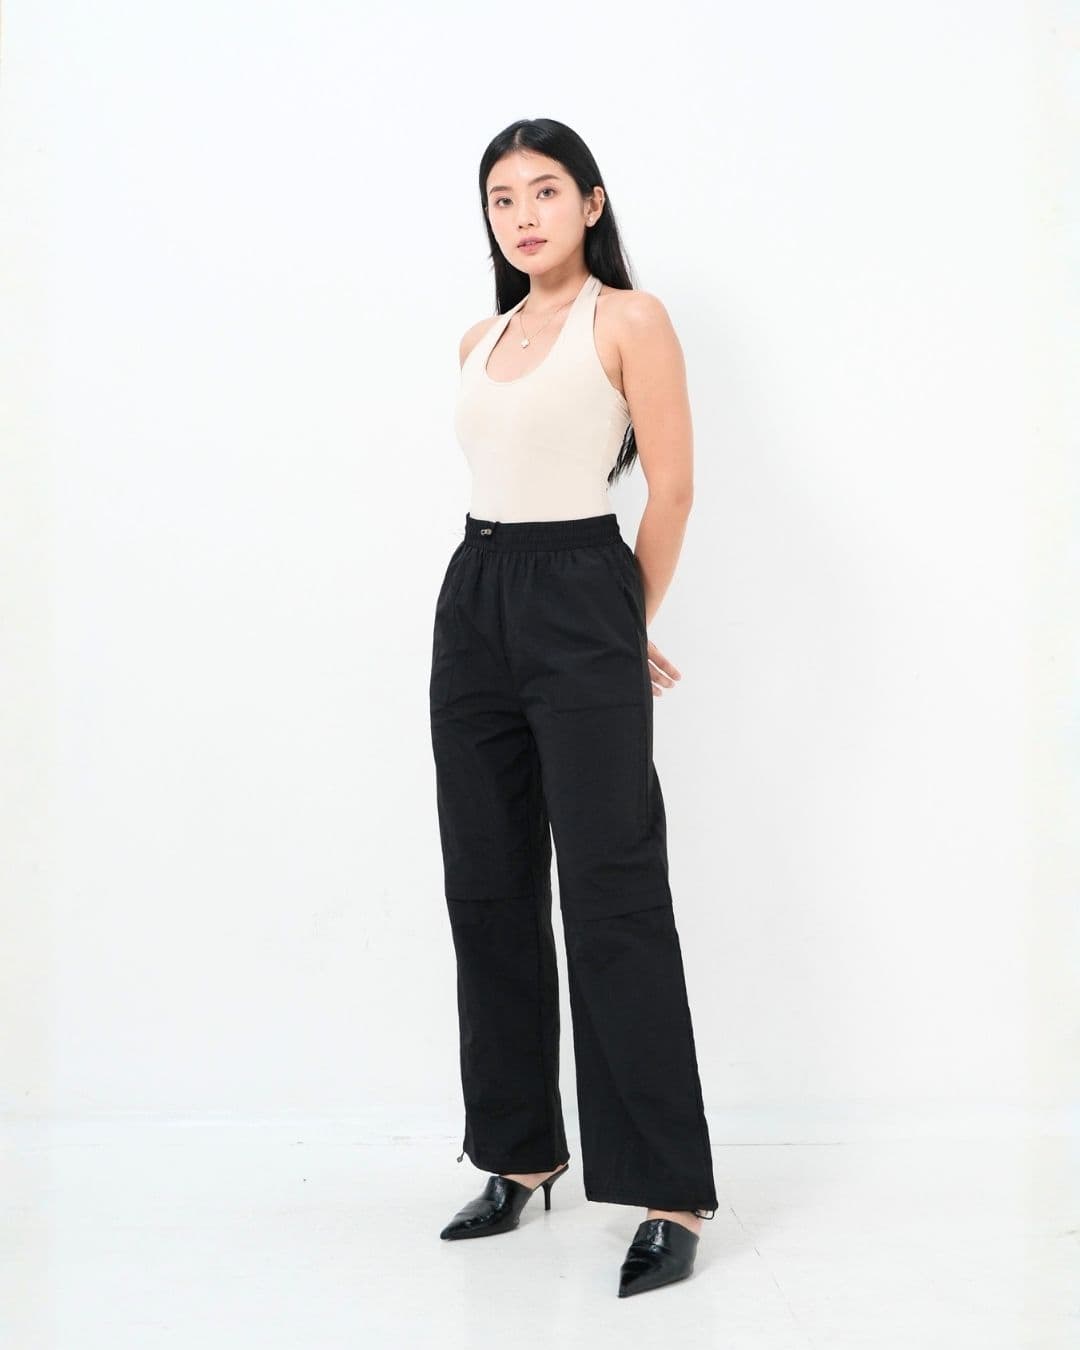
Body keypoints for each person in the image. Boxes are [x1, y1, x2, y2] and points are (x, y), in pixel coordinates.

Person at [428, 118, 719, 1298]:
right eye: (503, 199)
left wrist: (616, 621)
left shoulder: (628, 319)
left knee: (613, 893)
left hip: (581, 581)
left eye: (546, 191)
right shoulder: (479, 337)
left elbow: (674, 488)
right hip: (475, 598)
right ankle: (520, 1153)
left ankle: (669, 1192)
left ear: (591, 203)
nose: (525, 215)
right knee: (488, 885)